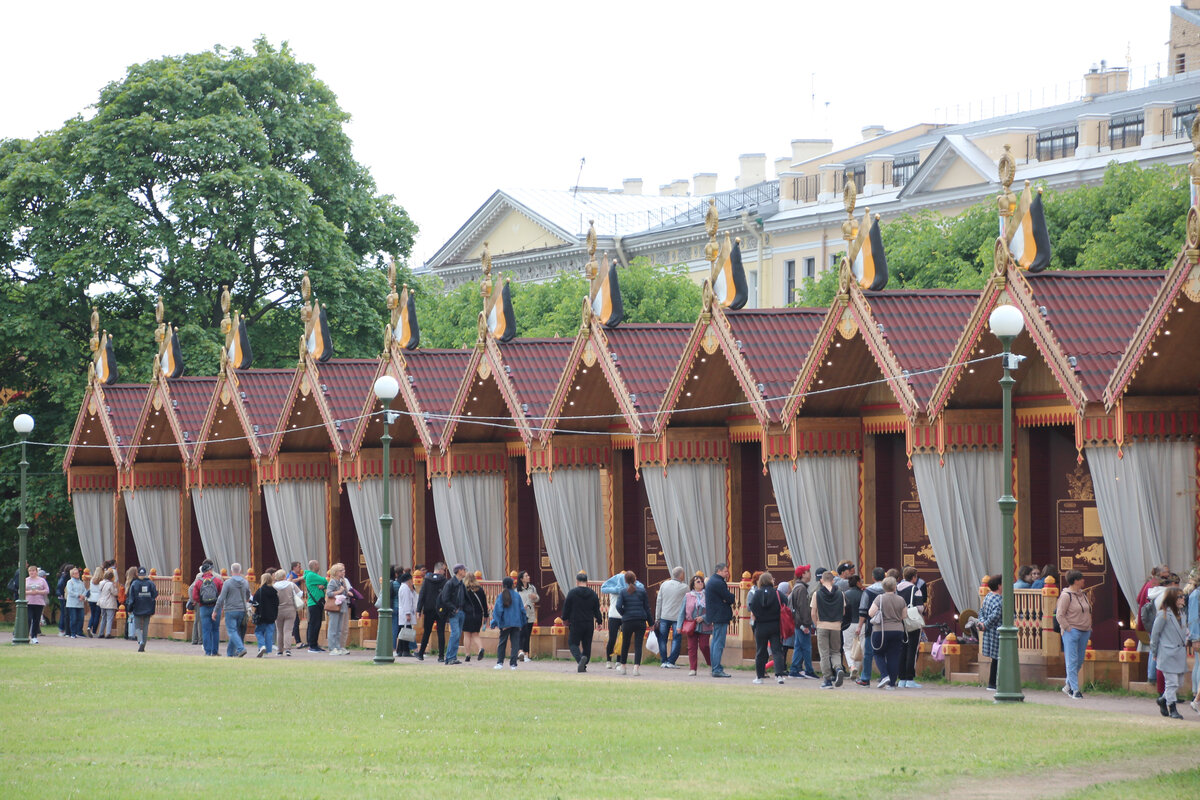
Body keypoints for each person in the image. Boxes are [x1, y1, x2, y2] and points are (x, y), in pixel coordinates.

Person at [1150, 587, 1190, 720]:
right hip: (1167, 652)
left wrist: (1188, 635)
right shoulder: (1163, 614)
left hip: (1179, 652)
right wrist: (1154, 652)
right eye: (1180, 596)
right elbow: (1155, 635)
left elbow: (1183, 631)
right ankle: (1172, 707)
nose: (1183, 598)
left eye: (1183, 596)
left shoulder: (1182, 614)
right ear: (1173, 599)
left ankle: (1163, 699)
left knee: (1179, 682)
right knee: (1171, 683)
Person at [1055, 570, 1092, 700]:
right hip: (1072, 631)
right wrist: (1067, 628)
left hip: (1085, 630)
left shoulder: (1083, 594)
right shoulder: (1066, 596)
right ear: (1075, 581)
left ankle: (1067, 685)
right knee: (1072, 660)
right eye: (1081, 579)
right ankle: (1075, 690)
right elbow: (1060, 614)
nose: (1083, 581)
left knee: (1079, 660)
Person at [866, 576, 907, 689]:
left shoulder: (879, 598)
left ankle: (884, 675)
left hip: (881, 630)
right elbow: (904, 616)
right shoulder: (901, 599)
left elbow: (870, 613)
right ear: (895, 587)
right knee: (893, 656)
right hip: (898, 630)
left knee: (878, 653)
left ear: (883, 587)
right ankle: (892, 683)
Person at [747, 571, 786, 685]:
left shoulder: (757, 594)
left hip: (760, 626)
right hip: (775, 625)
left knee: (760, 651)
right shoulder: (777, 593)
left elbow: (752, 609)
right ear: (770, 581)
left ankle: (759, 676)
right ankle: (779, 675)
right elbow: (786, 602)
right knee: (777, 651)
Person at [811, 569, 846, 688]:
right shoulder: (840, 593)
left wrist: (817, 624)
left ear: (821, 580)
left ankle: (827, 679)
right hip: (836, 625)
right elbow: (844, 610)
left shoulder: (817, 593)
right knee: (836, 651)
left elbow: (813, 612)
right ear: (833, 580)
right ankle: (838, 668)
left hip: (822, 625)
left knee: (824, 653)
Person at [614, 570, 653, 676]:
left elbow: (618, 606)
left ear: (625, 580)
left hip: (627, 621)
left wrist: (624, 614)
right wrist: (651, 623)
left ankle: (623, 666)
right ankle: (636, 668)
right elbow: (647, 608)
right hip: (640, 620)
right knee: (638, 645)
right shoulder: (642, 591)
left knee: (625, 644)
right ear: (635, 579)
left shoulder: (623, 592)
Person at [562, 572, 602, 672]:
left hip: (576, 622)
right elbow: (597, 609)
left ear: (577, 581)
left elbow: (566, 607)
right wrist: (599, 622)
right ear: (587, 582)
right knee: (587, 645)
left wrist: (564, 619)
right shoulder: (593, 593)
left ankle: (580, 660)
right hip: (589, 623)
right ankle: (583, 665)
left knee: (572, 643)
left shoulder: (572, 593)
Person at [854, 567, 887, 685]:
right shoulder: (890, 590)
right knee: (887, 653)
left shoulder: (867, 591)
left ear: (873, 578)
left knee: (868, 653)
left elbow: (863, 610)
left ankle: (865, 677)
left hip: (872, 626)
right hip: (888, 626)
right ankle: (887, 675)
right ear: (885, 576)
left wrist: (859, 626)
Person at [896, 566, 928, 688]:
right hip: (912, 622)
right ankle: (910, 679)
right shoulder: (916, 589)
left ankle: (901, 678)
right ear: (914, 577)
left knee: (901, 650)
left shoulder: (896, 588)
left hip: (899, 622)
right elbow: (920, 607)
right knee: (912, 650)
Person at [600, 571, 638, 669]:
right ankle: (608, 660)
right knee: (612, 639)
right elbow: (604, 588)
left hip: (624, 616)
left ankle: (619, 660)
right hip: (613, 616)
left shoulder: (629, 590)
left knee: (623, 639)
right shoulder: (614, 589)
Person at [213, 562, 252, 657]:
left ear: (231, 571)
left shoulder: (227, 583)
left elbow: (221, 598)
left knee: (232, 631)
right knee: (235, 632)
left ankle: (241, 648)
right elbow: (248, 595)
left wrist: (215, 610)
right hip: (242, 610)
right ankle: (230, 653)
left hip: (230, 610)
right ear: (240, 571)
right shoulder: (245, 582)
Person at [705, 563, 736, 678]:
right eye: (725, 571)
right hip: (720, 615)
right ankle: (717, 668)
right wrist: (729, 598)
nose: (727, 573)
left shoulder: (712, 581)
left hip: (715, 615)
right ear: (719, 571)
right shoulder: (718, 582)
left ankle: (715, 667)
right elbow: (729, 597)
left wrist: (726, 599)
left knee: (715, 642)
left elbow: (725, 598)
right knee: (718, 643)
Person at [654, 566, 688, 669]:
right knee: (676, 639)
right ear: (681, 575)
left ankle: (664, 660)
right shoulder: (684, 587)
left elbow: (659, 601)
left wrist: (657, 617)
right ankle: (671, 661)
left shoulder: (664, 585)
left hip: (664, 616)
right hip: (677, 617)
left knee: (662, 639)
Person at [490, 576, 526, 669]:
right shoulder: (517, 596)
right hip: (516, 623)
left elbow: (497, 611)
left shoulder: (501, 596)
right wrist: (522, 623)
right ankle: (513, 664)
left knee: (502, 643)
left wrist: (496, 623)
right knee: (515, 644)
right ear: (512, 585)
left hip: (505, 624)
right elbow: (522, 610)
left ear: (503, 585)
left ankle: (500, 663)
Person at [678, 575, 711, 676]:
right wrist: (679, 626)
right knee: (691, 647)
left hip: (705, 625)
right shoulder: (688, 596)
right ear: (693, 584)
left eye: (701, 581)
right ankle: (693, 668)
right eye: (698, 582)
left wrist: (704, 617)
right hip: (691, 625)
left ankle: (711, 664)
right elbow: (682, 612)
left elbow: (712, 610)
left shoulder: (708, 595)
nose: (701, 583)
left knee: (704, 646)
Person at [789, 565, 816, 679]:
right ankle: (808, 670)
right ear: (803, 574)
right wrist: (805, 624)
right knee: (806, 647)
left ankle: (794, 669)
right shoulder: (802, 589)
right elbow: (803, 609)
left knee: (799, 646)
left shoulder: (797, 587)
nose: (810, 573)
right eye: (808, 571)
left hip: (797, 622)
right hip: (801, 623)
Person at [190, 562, 223, 656]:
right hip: (216, 607)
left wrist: (200, 601)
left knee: (205, 630)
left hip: (203, 607)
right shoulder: (217, 580)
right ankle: (215, 651)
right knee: (215, 629)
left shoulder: (199, 581)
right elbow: (222, 593)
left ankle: (207, 652)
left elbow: (195, 596)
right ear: (209, 570)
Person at [415, 562, 447, 661]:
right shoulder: (444, 581)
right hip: (441, 609)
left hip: (428, 609)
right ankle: (441, 656)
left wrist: (419, 609)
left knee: (426, 632)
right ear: (440, 570)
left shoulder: (427, 580)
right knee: (441, 632)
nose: (445, 572)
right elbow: (446, 595)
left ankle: (421, 654)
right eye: (444, 570)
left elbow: (422, 595)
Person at [977, 575, 1003, 691]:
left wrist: (982, 623)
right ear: (999, 585)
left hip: (989, 632)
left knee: (995, 659)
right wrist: (986, 624)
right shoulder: (1000, 599)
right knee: (999, 658)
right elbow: (996, 615)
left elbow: (981, 611)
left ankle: (992, 683)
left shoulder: (988, 596)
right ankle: (994, 684)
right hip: (998, 632)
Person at [439, 564, 468, 665]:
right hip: (454, 612)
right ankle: (450, 657)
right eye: (464, 570)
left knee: (458, 634)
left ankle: (453, 656)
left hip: (461, 611)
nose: (465, 572)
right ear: (459, 571)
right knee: (455, 634)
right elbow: (445, 599)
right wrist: (453, 609)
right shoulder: (450, 583)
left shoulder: (461, 584)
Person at [127, 567, 158, 652]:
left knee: (137, 627)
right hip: (148, 608)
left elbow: (131, 598)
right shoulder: (150, 583)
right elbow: (155, 594)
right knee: (145, 627)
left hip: (137, 608)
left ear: (138, 574)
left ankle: (140, 641)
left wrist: (129, 609)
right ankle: (143, 645)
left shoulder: (134, 583)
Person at [272, 569, 300, 656]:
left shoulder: (274, 586)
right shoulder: (291, 584)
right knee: (288, 630)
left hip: (278, 609)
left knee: (279, 631)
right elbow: (299, 594)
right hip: (290, 609)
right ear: (284, 576)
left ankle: (280, 650)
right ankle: (288, 649)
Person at [462, 572, 488, 663]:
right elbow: (484, 603)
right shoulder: (480, 590)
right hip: (478, 615)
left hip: (467, 614)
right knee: (475, 634)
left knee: (467, 635)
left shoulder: (464, 589)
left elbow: (461, 602)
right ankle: (480, 648)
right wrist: (486, 615)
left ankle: (467, 655)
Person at [324, 563, 350, 656]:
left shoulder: (341, 581)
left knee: (339, 629)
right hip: (334, 607)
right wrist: (339, 591)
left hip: (341, 606)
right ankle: (332, 647)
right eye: (341, 570)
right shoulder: (333, 581)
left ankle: (338, 646)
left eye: (343, 570)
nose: (343, 572)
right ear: (336, 572)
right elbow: (329, 593)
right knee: (333, 628)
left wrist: (346, 591)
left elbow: (345, 593)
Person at [252, 572, 279, 657]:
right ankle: (266, 652)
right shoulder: (274, 592)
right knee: (269, 633)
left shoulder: (259, 591)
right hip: (271, 616)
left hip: (261, 615)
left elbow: (255, 603)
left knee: (259, 632)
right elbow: (277, 603)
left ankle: (261, 645)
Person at [303, 560, 328, 653]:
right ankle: (312, 645)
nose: (319, 566)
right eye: (317, 564)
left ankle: (314, 644)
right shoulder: (311, 575)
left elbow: (325, 584)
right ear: (315, 565)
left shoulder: (311, 576)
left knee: (316, 624)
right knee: (314, 624)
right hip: (314, 603)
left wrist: (323, 586)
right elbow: (325, 580)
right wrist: (324, 584)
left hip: (316, 603)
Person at [516, 570, 539, 662]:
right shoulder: (517, 590)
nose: (528, 577)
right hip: (521, 615)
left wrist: (535, 597)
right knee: (522, 634)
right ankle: (520, 651)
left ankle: (526, 654)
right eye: (526, 576)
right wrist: (521, 607)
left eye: (528, 575)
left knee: (528, 634)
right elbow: (514, 602)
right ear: (521, 579)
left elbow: (537, 598)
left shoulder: (532, 588)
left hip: (530, 614)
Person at [842, 575, 863, 679]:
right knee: (860, 649)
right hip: (862, 624)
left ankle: (852, 666)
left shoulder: (845, 594)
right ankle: (857, 672)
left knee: (847, 647)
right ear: (858, 582)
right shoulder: (864, 594)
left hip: (847, 624)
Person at [396, 570, 419, 657]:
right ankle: (405, 650)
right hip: (406, 614)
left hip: (404, 613)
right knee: (406, 632)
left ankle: (400, 650)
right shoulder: (405, 588)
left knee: (403, 632)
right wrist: (408, 613)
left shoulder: (405, 588)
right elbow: (406, 602)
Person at [24, 565, 49, 643]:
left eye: (33, 571)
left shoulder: (42, 580)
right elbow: (21, 591)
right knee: (28, 618)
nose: (32, 572)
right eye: (30, 571)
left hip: (39, 602)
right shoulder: (26, 580)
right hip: (29, 602)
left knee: (36, 619)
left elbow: (47, 590)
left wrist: (38, 592)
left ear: (36, 572)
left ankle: (34, 636)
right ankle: (26, 635)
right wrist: (30, 592)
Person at [63, 566, 87, 638]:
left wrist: (83, 596)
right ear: (72, 574)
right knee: (73, 618)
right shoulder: (70, 582)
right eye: (76, 573)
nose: (78, 574)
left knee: (81, 618)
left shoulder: (81, 582)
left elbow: (84, 590)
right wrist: (78, 595)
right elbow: (70, 592)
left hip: (80, 603)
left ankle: (79, 632)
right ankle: (73, 632)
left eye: (78, 573)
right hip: (72, 603)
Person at [286, 562, 304, 646]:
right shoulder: (291, 574)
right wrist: (300, 579)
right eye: (298, 567)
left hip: (295, 599)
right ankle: (298, 641)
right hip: (291, 601)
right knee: (295, 621)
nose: (300, 568)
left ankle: (296, 640)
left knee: (295, 621)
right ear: (294, 567)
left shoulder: (296, 575)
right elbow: (289, 582)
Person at [97, 568, 118, 638]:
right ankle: (108, 633)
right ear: (111, 577)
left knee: (103, 618)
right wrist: (115, 587)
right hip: (109, 602)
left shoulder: (101, 583)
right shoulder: (110, 584)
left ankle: (101, 633)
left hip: (102, 602)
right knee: (109, 618)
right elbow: (115, 593)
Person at [86, 568, 102, 637]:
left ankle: (89, 627)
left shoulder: (92, 580)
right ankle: (94, 631)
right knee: (97, 616)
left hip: (91, 598)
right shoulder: (101, 581)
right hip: (98, 599)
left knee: (92, 614)